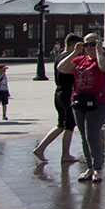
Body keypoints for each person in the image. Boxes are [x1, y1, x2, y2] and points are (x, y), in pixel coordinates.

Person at [58, 33, 105, 182]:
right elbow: (62, 68)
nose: (89, 47)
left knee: (92, 135)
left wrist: (99, 51)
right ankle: (89, 167)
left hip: (99, 102)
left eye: (92, 43)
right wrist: (75, 52)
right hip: (79, 102)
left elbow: (104, 67)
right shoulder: (80, 60)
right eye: (86, 44)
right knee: (84, 136)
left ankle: (97, 168)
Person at [32, 33, 83, 162]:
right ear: (73, 45)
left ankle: (40, 148)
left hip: (59, 93)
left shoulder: (60, 56)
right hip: (66, 94)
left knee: (61, 124)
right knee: (69, 125)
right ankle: (65, 154)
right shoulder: (67, 57)